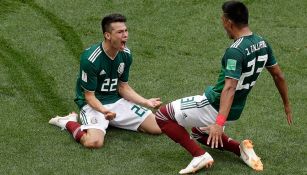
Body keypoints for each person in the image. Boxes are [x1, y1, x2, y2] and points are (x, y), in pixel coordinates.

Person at [155, 1, 293, 174]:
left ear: (229, 21)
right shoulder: (262, 43)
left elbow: (229, 88)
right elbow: (278, 75)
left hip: (215, 105)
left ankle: (199, 156)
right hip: (236, 110)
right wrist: (287, 104)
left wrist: (219, 123)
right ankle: (240, 149)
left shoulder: (235, 51)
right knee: (198, 132)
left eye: (222, 19)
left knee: (162, 115)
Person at [49, 13, 162, 149]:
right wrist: (104, 111)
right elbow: (89, 97)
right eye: (120, 32)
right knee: (94, 143)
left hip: (115, 101)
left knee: (158, 128)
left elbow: (123, 87)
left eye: (126, 30)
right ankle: (68, 122)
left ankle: (111, 122)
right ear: (108, 35)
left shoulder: (126, 54)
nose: (125, 35)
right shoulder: (90, 59)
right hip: (93, 104)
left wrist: (146, 102)